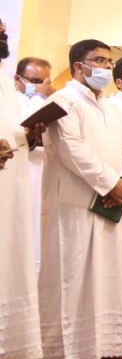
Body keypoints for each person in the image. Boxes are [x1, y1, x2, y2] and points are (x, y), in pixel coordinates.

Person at [37, 39, 122, 359]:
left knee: (106, 270)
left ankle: (104, 343)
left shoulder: (111, 106)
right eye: (100, 61)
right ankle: (62, 351)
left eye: (109, 62)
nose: (107, 67)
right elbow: (72, 150)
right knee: (70, 271)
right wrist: (111, 183)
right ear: (79, 66)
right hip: (74, 199)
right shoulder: (62, 101)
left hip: (110, 199)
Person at [0, 19, 43, 359]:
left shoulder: (3, 79)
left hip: (10, 181)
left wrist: (28, 136)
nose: (3, 35)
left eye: (3, 31)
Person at [15, 56, 53, 272]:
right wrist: (39, 97)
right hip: (18, 170)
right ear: (17, 79)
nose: (41, 87)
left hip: (42, 170)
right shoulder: (11, 101)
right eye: (35, 81)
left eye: (45, 82)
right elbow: (20, 130)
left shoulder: (50, 101)